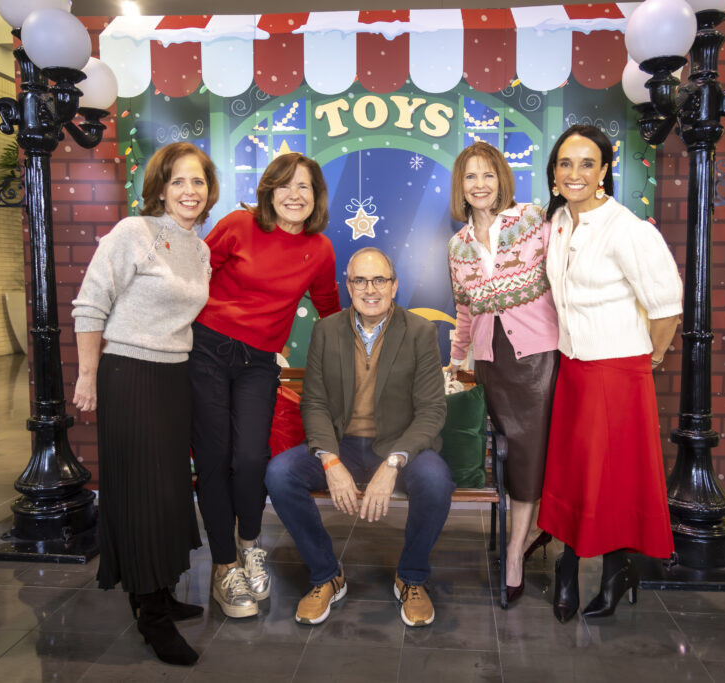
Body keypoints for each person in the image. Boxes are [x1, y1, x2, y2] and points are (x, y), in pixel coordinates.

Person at [71, 141, 218, 666]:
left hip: (172, 378)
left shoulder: (198, 248)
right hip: (129, 375)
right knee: (141, 493)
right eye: (178, 180)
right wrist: (88, 375)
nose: (189, 191)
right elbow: (90, 303)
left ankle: (156, 592)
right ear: (159, 187)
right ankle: (150, 617)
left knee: (168, 491)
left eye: (198, 181)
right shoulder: (134, 233)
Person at [265, 247, 454, 627]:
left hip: (402, 447)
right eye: (360, 280)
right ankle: (325, 575)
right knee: (280, 474)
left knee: (436, 481)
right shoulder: (326, 330)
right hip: (343, 445)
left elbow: (432, 410)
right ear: (348, 286)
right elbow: (315, 403)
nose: (371, 289)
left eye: (380, 279)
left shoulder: (419, 332)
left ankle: (412, 577)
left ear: (394, 285)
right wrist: (330, 460)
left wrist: (394, 462)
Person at [539, 125, 682, 623]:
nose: (574, 173)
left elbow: (666, 310)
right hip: (574, 369)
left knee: (611, 479)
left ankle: (612, 568)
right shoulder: (557, 222)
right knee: (576, 476)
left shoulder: (629, 229)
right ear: (554, 174)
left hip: (618, 372)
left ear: (604, 172)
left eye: (586, 163)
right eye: (565, 163)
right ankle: (570, 566)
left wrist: (648, 362)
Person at [190, 153, 341, 619]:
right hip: (206, 350)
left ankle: (249, 544)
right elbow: (193, 277)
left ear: (316, 197)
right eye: (286, 185)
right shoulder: (238, 225)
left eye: (306, 187)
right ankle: (223, 565)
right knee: (214, 458)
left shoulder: (320, 249)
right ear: (269, 190)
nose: (295, 195)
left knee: (253, 457)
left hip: (258, 362)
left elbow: (330, 308)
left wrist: (361, 360)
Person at [445, 141, 559, 603]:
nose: (480, 185)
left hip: (539, 357)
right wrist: (456, 360)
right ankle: (530, 533)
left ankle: (515, 553)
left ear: (502, 179)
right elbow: (465, 310)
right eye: (470, 177)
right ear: (461, 186)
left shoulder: (531, 219)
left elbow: (564, 276)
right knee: (509, 455)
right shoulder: (457, 245)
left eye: (488, 174)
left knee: (533, 454)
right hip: (492, 360)